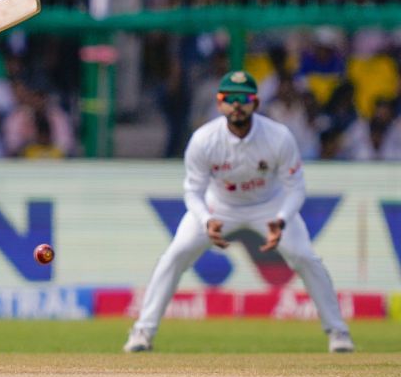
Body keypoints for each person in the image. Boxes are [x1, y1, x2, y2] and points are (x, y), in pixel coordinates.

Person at [124, 71, 355, 354]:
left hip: (269, 206)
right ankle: (142, 333)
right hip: (218, 206)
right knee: (175, 255)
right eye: (229, 99)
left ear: (256, 103)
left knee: (305, 257)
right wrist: (207, 220)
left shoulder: (277, 136)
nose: (236, 105)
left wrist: (281, 220)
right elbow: (192, 192)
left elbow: (295, 188)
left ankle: (338, 333)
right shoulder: (204, 140)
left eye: (243, 98)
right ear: (219, 104)